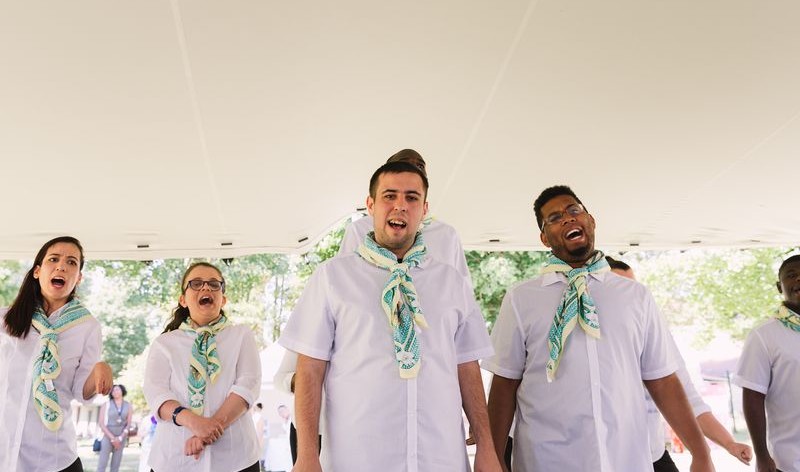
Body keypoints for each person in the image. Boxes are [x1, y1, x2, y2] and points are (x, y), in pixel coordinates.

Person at [279, 161, 501, 471]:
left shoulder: (452, 282)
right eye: (389, 196)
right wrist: (306, 456)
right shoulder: (332, 278)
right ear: (370, 205)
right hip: (357, 458)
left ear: (424, 209)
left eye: (411, 198)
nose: (400, 206)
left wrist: (487, 449)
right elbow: (310, 370)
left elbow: (467, 368)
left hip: (439, 457)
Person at [484, 186, 715, 471]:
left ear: (591, 220)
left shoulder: (635, 296)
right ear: (544, 238)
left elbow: (663, 380)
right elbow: (504, 386)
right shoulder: (522, 299)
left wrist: (701, 453)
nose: (568, 219)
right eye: (554, 218)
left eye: (574, 210)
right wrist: (493, 458)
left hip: (626, 459)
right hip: (548, 461)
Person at [606, 257, 752, 471]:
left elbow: (688, 399)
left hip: (653, 455)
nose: (631, 295)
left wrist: (729, 444)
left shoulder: (655, 336)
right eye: (622, 287)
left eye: (634, 286)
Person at [0, 236, 113, 472]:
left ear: (78, 278)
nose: (62, 266)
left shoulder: (87, 327)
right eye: (54, 259)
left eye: (72, 262)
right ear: (37, 271)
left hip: (54, 458)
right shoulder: (4, 320)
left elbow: (80, 393)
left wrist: (99, 371)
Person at [143, 262, 262, 472]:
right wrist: (194, 423)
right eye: (196, 284)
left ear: (223, 299)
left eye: (214, 284)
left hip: (236, 458)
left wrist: (208, 429)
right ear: (183, 299)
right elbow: (156, 392)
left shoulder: (241, 335)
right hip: (174, 459)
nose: (206, 288)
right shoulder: (164, 343)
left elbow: (247, 385)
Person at [337, 148, 470, 280]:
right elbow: (343, 276)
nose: (414, 169)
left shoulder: (447, 235)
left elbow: (461, 287)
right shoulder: (358, 230)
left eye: (420, 166)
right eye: (403, 165)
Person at [734, 254, 800, 472]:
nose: (798, 279)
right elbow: (752, 397)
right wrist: (762, 456)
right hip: (790, 462)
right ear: (779, 287)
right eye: (791, 275)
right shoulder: (764, 336)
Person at [97, 384, 134, 472]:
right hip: (108, 435)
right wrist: (113, 439)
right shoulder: (106, 404)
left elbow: (129, 424)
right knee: (102, 463)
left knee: (116, 465)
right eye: (113, 390)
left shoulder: (128, 405)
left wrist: (120, 438)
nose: (115, 392)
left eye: (117, 389)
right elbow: (101, 423)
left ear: (122, 391)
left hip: (122, 437)